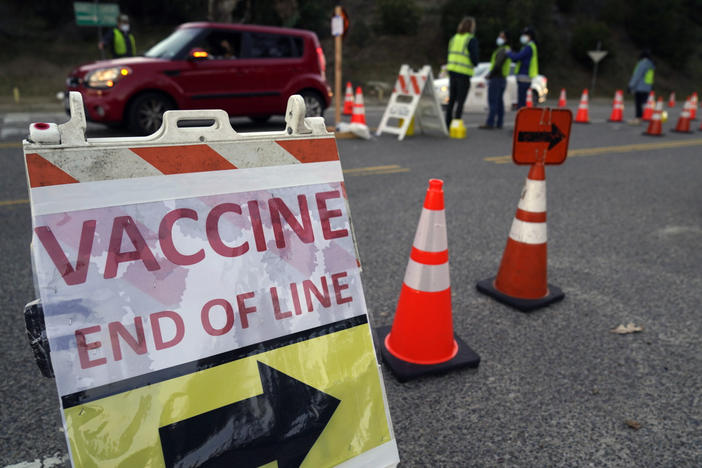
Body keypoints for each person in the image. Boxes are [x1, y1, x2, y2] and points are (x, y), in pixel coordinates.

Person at [444, 17, 479, 129]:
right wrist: (475, 62)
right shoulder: (470, 39)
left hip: (452, 71)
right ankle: (457, 123)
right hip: (463, 73)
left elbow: (449, 53)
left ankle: (447, 123)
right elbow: (474, 59)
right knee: (461, 100)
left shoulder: (454, 38)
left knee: (452, 99)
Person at [480, 31, 511, 129]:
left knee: (493, 100)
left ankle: (490, 122)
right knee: (499, 101)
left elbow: (497, 65)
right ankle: (499, 123)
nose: (499, 38)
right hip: (502, 78)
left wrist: (490, 74)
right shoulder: (506, 50)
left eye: (502, 37)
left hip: (497, 78)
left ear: (506, 39)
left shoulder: (502, 50)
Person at [507, 27, 538, 109]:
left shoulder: (529, 47)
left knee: (522, 102)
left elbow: (517, 57)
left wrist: (509, 53)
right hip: (524, 76)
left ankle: (522, 118)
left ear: (529, 36)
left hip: (524, 76)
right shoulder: (528, 47)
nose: (522, 37)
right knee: (523, 100)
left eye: (524, 35)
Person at [627, 50, 655, 124]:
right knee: (644, 103)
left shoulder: (642, 64)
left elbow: (637, 76)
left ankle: (638, 118)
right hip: (647, 87)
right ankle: (653, 116)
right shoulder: (651, 65)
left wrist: (631, 86)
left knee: (638, 104)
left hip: (640, 87)